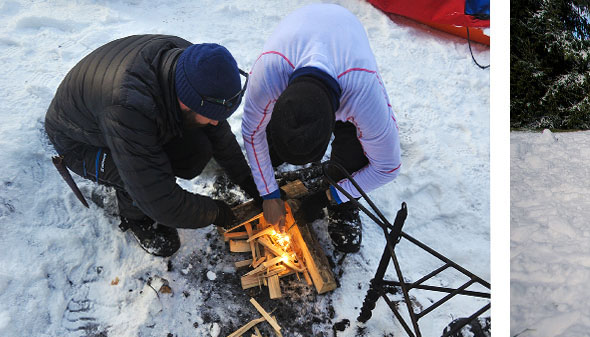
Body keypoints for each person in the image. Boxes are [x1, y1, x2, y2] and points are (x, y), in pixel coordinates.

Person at [45, 35, 258, 257]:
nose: (216, 122)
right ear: (187, 101)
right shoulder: (128, 109)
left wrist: (247, 180)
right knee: (135, 178)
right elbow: (161, 203)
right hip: (77, 141)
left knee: (198, 148)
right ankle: (135, 217)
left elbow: (218, 131)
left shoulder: (193, 64)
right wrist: (216, 213)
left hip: (116, 115)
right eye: (212, 116)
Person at [241, 4, 402, 253]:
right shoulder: (268, 75)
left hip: (344, 34)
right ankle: (277, 153)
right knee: (271, 147)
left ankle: (344, 204)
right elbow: (253, 133)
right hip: (298, 32)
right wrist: (269, 194)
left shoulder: (363, 95)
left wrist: (334, 195)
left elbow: (387, 167)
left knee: (355, 152)